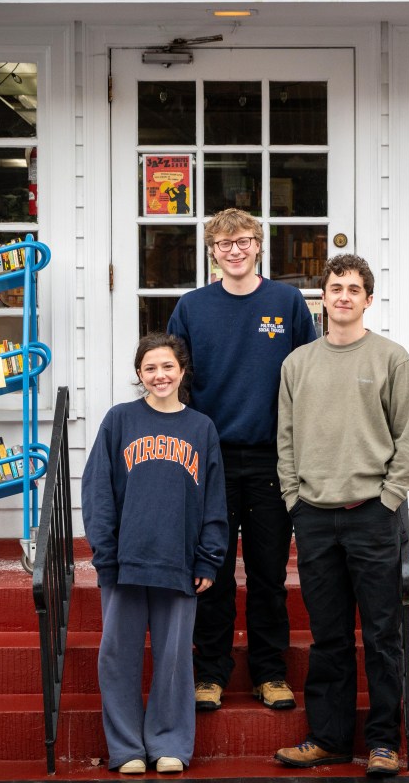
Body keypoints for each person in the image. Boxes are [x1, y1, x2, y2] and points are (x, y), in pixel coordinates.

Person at [273, 254, 409, 778]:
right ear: (323, 296)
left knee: (382, 633)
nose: (343, 296)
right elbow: (286, 440)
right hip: (314, 517)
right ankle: (329, 739)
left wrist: (389, 499)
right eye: (335, 287)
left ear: (368, 299)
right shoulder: (297, 364)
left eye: (353, 289)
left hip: (372, 515)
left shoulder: (391, 359)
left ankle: (384, 742)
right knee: (329, 635)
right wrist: (294, 500)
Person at [167, 208, 318, 712]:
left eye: (244, 241)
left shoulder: (287, 301)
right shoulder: (191, 307)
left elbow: (311, 374)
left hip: (273, 459)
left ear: (259, 245)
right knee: (213, 572)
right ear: (212, 252)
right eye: (224, 243)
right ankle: (209, 673)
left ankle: (269, 673)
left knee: (268, 573)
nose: (235, 250)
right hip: (208, 461)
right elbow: (174, 381)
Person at [81, 333, 229, 774]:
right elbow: (98, 492)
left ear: (182, 372)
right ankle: (126, 747)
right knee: (118, 656)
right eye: (150, 368)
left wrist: (209, 557)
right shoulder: (119, 420)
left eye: (167, 367)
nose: (159, 375)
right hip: (125, 562)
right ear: (139, 374)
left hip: (179, 562)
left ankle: (169, 743)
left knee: (174, 659)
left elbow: (215, 500)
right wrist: (105, 553)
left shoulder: (201, 427)